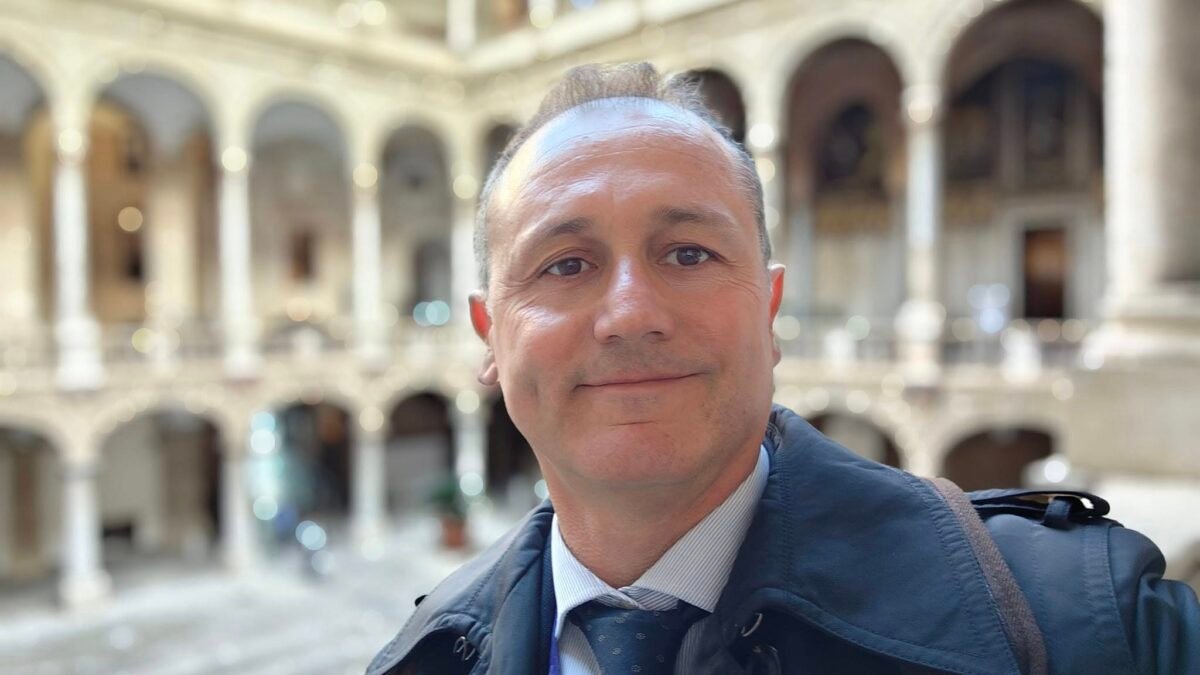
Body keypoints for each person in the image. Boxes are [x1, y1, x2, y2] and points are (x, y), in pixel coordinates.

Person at [366, 63, 1199, 675]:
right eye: (565, 265)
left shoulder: (1092, 622)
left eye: (687, 253)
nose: (630, 314)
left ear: (768, 311)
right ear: (490, 336)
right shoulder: (419, 660)